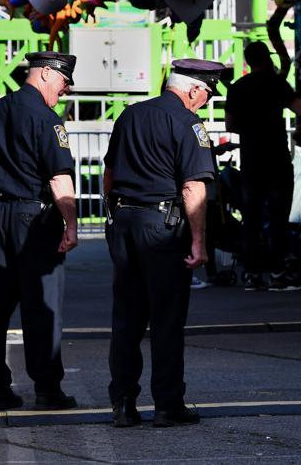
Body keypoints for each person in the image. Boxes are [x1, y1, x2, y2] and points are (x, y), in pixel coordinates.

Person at [103, 58, 224, 427]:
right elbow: (193, 187)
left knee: (127, 318)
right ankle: (167, 405)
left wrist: (115, 216)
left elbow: (109, 173)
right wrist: (200, 242)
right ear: (192, 89)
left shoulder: (130, 115)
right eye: (205, 94)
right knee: (166, 319)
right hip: (162, 227)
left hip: (124, 223)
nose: (205, 101)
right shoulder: (188, 123)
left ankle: (123, 404)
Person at [0, 51, 79, 411]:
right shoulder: (47, 119)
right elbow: (59, 177)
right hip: (35, 219)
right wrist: (72, 224)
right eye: (63, 83)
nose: (64, 92)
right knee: (42, 304)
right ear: (46, 74)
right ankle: (47, 389)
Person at [224, 40, 301, 292]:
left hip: (251, 161)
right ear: (266, 58)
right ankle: (277, 272)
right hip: (276, 159)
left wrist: (251, 129)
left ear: (248, 61)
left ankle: (252, 274)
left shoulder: (237, 88)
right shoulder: (276, 83)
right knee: (277, 217)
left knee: (251, 218)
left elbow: (229, 126)